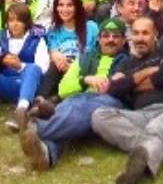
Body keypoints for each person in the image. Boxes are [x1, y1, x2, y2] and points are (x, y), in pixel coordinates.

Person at [91, 16, 163, 184]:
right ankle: (162, 146)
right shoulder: (127, 63)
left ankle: (139, 169)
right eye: (136, 33)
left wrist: (132, 85)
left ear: (155, 35)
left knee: (156, 127)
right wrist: (145, 73)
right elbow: (114, 88)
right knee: (99, 116)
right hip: (142, 114)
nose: (140, 38)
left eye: (145, 33)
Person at [18, 17, 131, 171]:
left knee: (78, 111)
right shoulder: (84, 58)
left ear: (124, 40)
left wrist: (112, 82)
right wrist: (85, 80)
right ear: (98, 39)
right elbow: (63, 89)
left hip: (108, 102)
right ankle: (47, 154)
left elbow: (122, 87)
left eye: (116, 36)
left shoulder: (129, 61)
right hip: (76, 99)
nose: (110, 40)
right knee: (68, 110)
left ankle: (36, 128)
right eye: (105, 35)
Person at [0, 2, 50, 132]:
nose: (15, 24)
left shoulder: (36, 38)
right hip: (7, 84)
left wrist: (20, 66)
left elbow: (43, 67)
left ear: (26, 22)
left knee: (33, 68)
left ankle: (22, 110)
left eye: (19, 20)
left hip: (29, 84)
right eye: (11, 20)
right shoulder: (3, 37)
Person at [38, 0, 98, 99]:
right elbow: (54, 53)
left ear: (77, 7)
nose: (64, 10)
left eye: (69, 5)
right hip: (60, 71)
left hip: (83, 72)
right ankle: (40, 100)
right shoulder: (53, 30)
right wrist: (58, 58)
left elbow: (95, 56)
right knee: (55, 66)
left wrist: (72, 68)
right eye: (60, 5)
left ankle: (50, 100)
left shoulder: (91, 28)